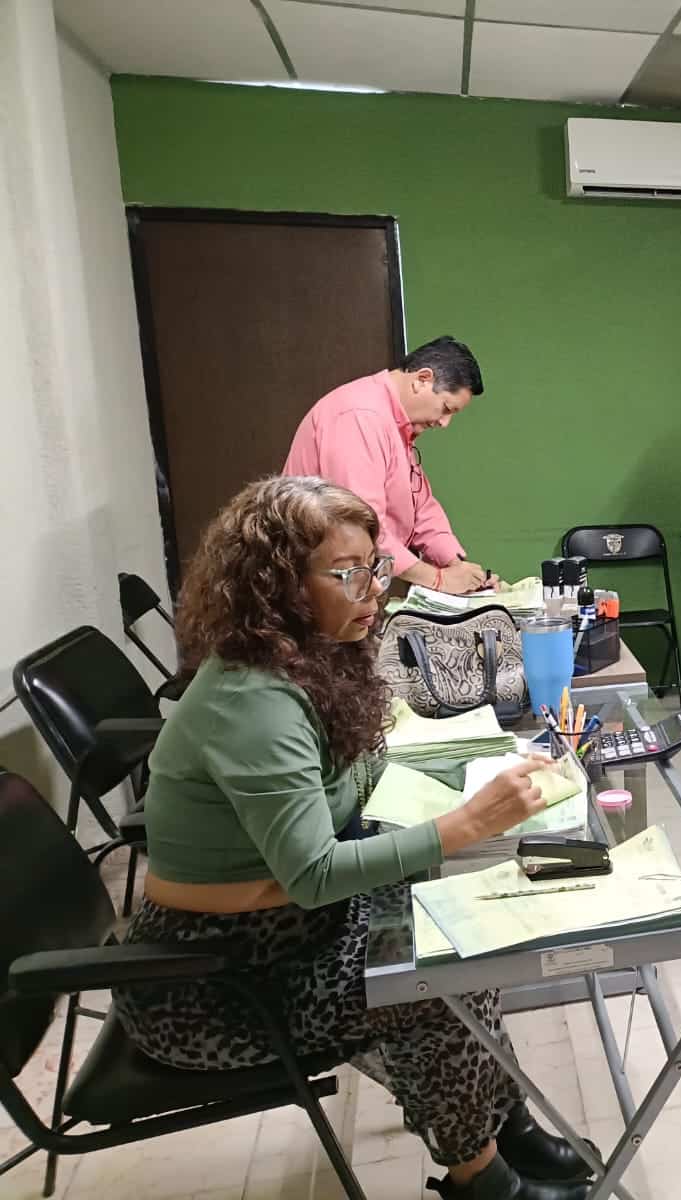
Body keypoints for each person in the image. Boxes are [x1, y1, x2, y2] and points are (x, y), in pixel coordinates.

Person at [112, 477, 591, 1200]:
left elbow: (359, 780)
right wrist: (466, 823)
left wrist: (475, 771)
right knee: (432, 984)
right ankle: (485, 1182)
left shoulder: (316, 658)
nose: (374, 589)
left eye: (375, 566)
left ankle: (505, 1124)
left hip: (288, 930)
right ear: (276, 586)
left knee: (460, 931)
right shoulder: (253, 700)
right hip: (215, 977)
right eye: (346, 574)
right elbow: (311, 874)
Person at [285, 336, 496, 595]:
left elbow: (421, 508)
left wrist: (458, 567)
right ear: (423, 379)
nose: (444, 423)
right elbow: (362, 526)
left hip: (349, 583)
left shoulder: (395, 422)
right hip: (315, 588)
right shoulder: (361, 416)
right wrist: (438, 579)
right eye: (446, 408)